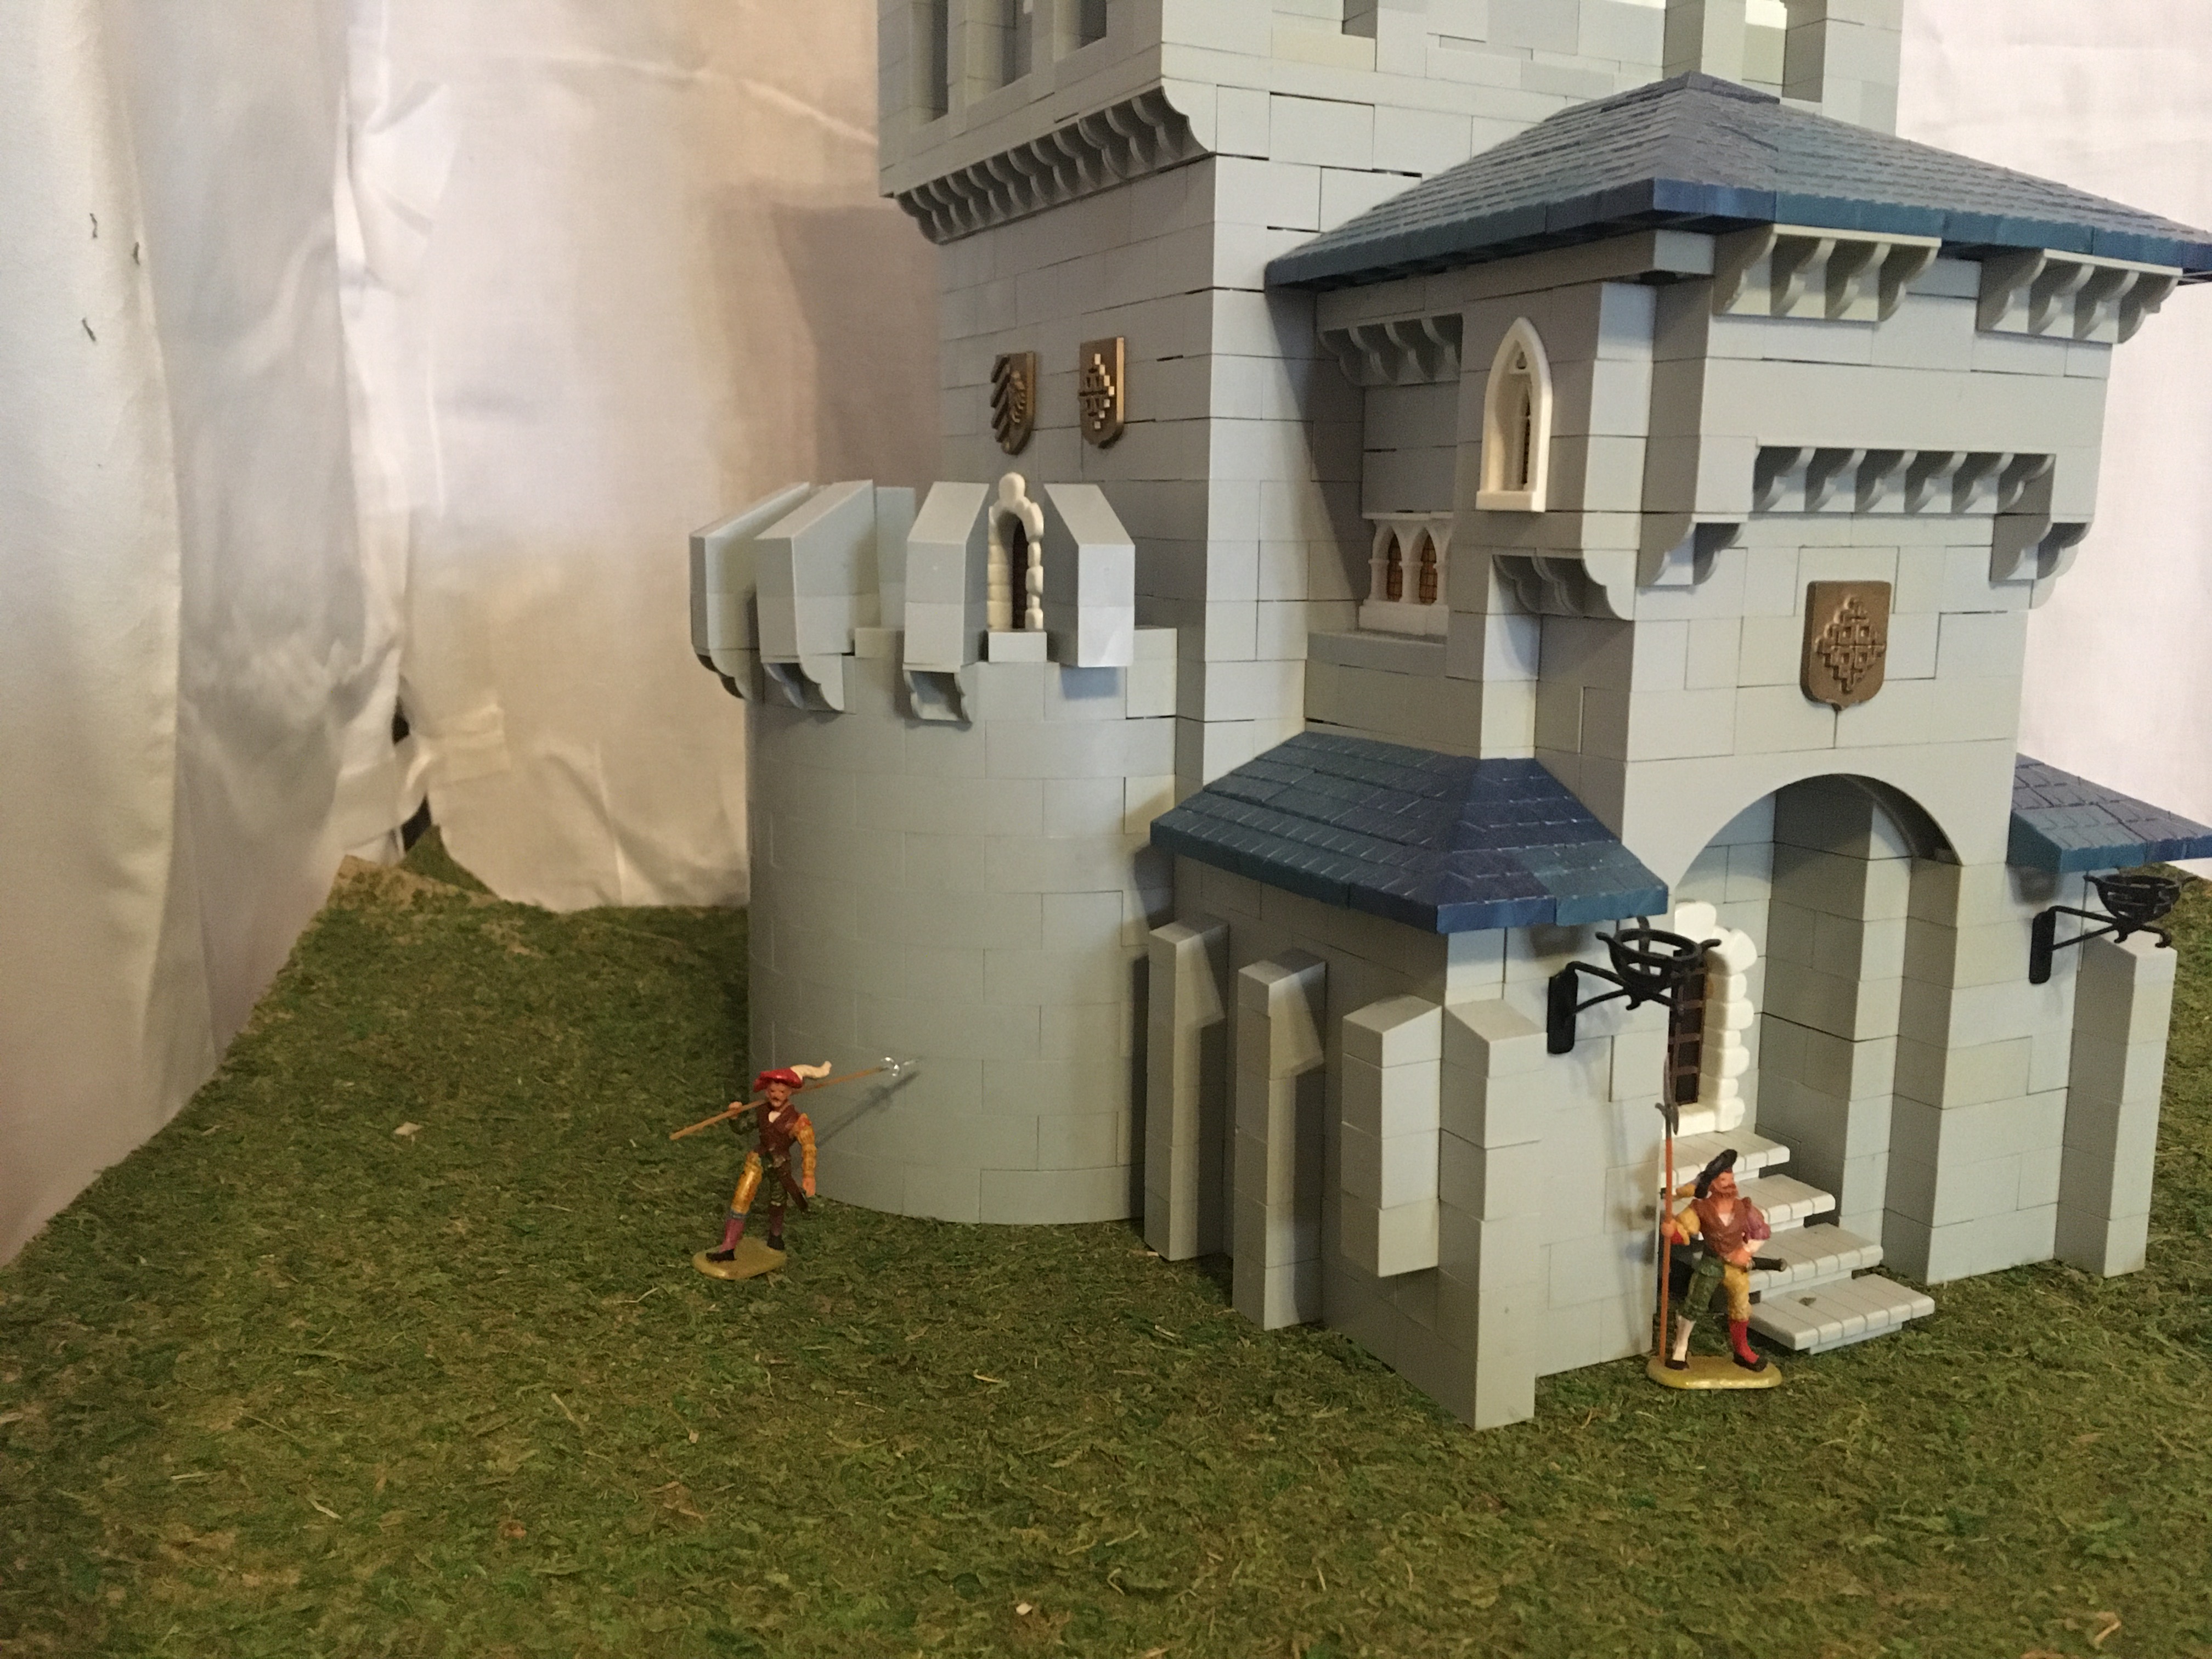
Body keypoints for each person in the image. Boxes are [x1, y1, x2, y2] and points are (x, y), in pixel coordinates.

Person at [1662, 1148, 1771, 1372]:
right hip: (1711, 1264)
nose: (1729, 1185)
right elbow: (1683, 1231)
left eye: (1731, 1180)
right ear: (1712, 1184)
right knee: (1695, 1304)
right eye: (1723, 1181)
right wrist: (1672, 1232)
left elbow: (1761, 1232)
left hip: (1736, 1268)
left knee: (1741, 1306)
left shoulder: (1744, 1208)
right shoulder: (1700, 1209)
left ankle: (1742, 1350)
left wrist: (1747, 1251)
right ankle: (1680, 1348)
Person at [706, 1063, 827, 1260]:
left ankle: (775, 1236)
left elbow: (809, 1148)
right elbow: (742, 1128)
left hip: (780, 1166)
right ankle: (728, 1247)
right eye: (772, 1091)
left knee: (778, 1202)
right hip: (758, 1160)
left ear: (790, 1092)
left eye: (781, 1091)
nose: (776, 1095)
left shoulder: (798, 1121)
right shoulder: (761, 1112)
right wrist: (735, 1117)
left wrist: (808, 1175)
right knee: (741, 1198)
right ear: (766, 1091)